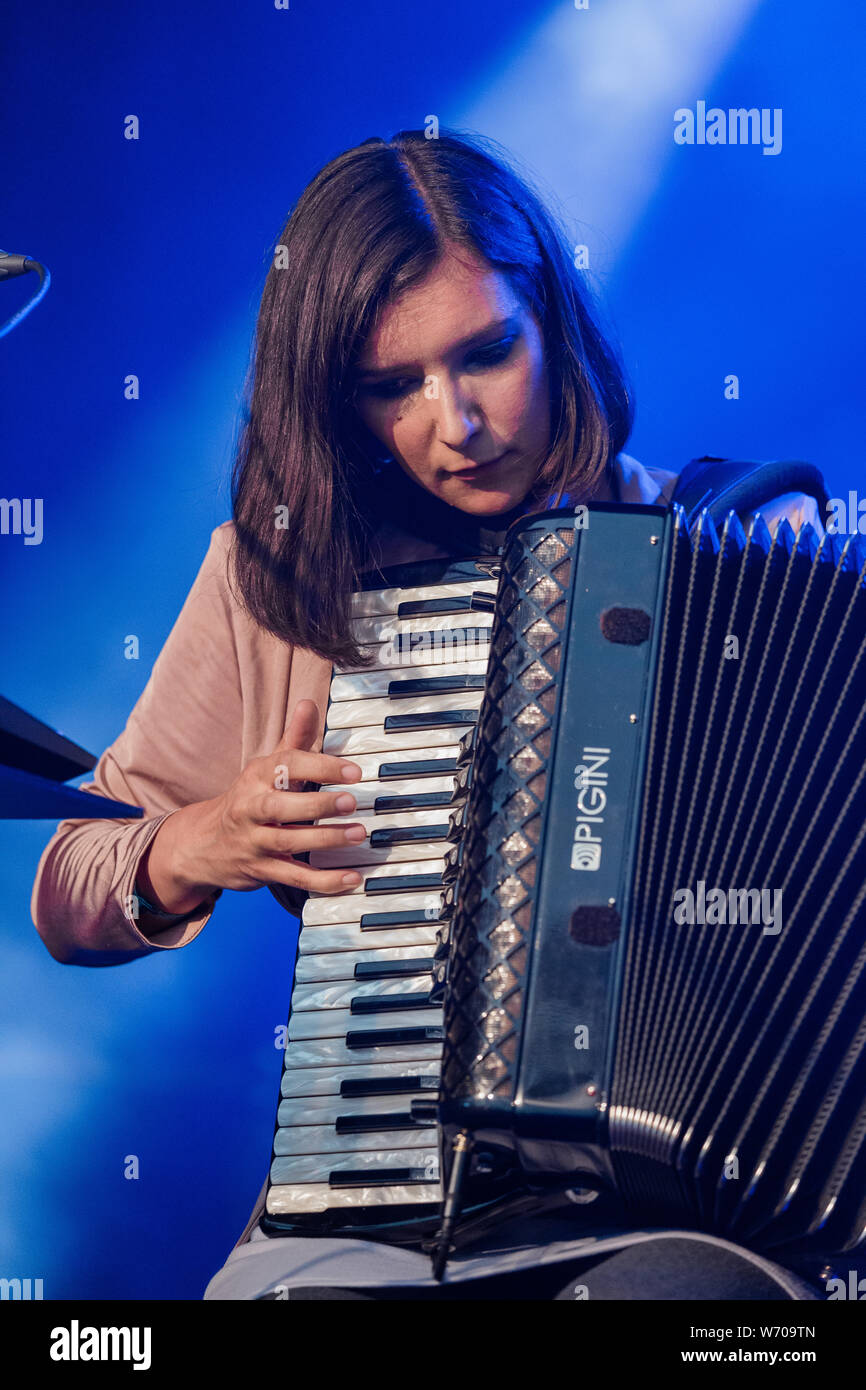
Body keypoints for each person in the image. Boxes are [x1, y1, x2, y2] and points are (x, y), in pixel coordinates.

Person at [31, 129, 826, 1300]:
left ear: (550, 319)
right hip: (381, 1210)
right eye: (390, 388)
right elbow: (66, 883)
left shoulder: (746, 547)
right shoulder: (282, 584)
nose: (452, 421)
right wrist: (191, 843)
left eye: (485, 354)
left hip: (693, 1217)